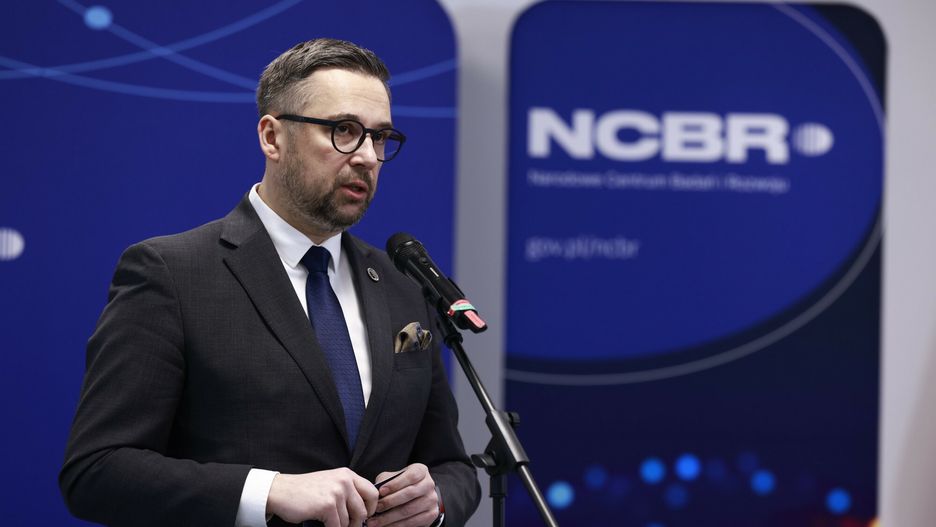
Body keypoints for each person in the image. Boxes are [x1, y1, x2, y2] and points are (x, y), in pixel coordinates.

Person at [59, 38, 480, 527]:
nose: (367, 156)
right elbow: (98, 470)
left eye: (380, 136)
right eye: (343, 131)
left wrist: (436, 499)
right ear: (272, 137)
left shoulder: (401, 284)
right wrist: (267, 491)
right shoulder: (172, 273)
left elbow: (451, 465)